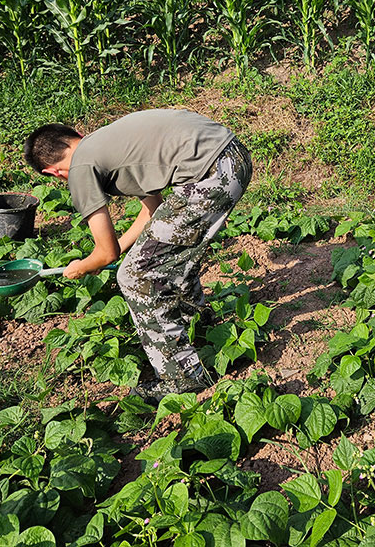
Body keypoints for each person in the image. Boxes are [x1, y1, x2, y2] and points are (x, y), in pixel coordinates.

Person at [23, 108, 252, 396]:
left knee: (134, 276)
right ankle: (199, 323)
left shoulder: (80, 167)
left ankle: (182, 378)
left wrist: (81, 266)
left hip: (210, 174)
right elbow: (153, 212)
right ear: (76, 135)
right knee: (162, 255)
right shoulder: (106, 144)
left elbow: (105, 254)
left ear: (52, 172)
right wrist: (117, 248)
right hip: (233, 156)